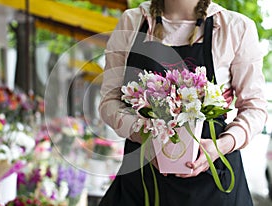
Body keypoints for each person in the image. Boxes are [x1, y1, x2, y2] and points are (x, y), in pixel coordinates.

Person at [98, 0, 268, 205]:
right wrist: (143, 136)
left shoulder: (234, 28)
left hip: (213, 184)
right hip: (143, 182)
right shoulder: (132, 22)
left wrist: (221, 145)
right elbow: (110, 101)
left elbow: (255, 107)